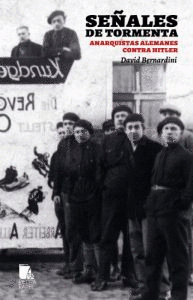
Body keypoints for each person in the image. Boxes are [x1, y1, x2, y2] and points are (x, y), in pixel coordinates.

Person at [141, 117, 193, 300]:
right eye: (166, 129)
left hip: (173, 213)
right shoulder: (160, 155)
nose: (169, 132)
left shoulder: (186, 157)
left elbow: (190, 186)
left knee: (177, 258)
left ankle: (179, 296)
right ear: (161, 133)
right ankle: (150, 294)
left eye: (174, 129)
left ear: (180, 133)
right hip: (155, 209)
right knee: (152, 256)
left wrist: (180, 206)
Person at [91, 105, 137, 291]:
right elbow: (99, 169)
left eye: (124, 116)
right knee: (107, 238)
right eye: (117, 116)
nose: (120, 119)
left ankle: (129, 276)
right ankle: (102, 277)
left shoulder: (137, 140)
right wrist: (104, 189)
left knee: (131, 239)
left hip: (132, 199)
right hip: (111, 198)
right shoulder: (106, 141)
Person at [122, 114, 163, 300]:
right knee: (137, 251)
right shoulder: (124, 148)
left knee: (152, 251)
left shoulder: (155, 149)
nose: (133, 130)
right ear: (125, 130)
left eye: (136, 127)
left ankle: (161, 290)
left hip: (150, 210)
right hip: (131, 208)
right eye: (129, 127)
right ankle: (143, 287)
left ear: (143, 128)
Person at [159, 103, 193, 286]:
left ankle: (187, 273)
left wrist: (186, 197)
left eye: (171, 114)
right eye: (164, 114)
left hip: (183, 195)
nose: (166, 116)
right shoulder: (162, 136)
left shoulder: (188, 137)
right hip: (165, 198)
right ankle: (172, 274)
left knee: (185, 236)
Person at [51, 113, 82, 279]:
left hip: (76, 194)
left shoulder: (80, 143)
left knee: (73, 230)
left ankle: (76, 266)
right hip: (62, 193)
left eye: (71, 123)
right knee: (65, 229)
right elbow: (57, 171)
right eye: (65, 124)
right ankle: (68, 263)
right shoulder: (63, 144)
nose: (68, 127)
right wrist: (56, 192)